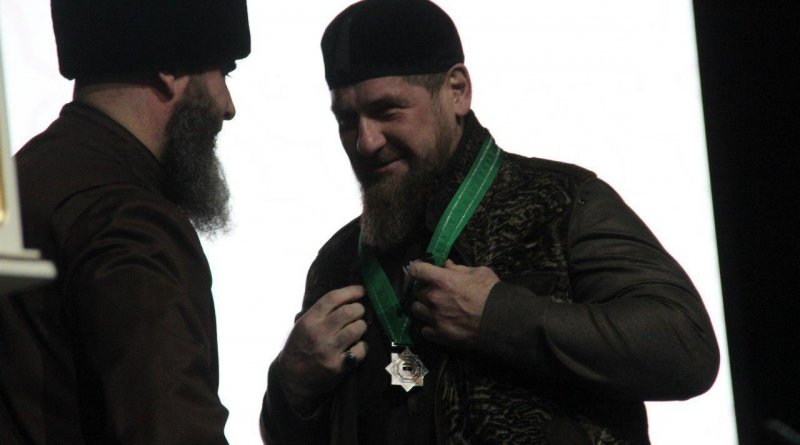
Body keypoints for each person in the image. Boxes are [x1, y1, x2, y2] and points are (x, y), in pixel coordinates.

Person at [260, 1, 720, 444]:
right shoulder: (338, 261)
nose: (365, 141)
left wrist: (499, 317)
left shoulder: (561, 202)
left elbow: (688, 348)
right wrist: (291, 387)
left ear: (457, 91)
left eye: (387, 111)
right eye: (346, 120)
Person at [0, 1, 249, 444]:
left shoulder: (22, 183)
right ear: (169, 67)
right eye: (224, 72)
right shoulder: (129, 222)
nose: (228, 107)